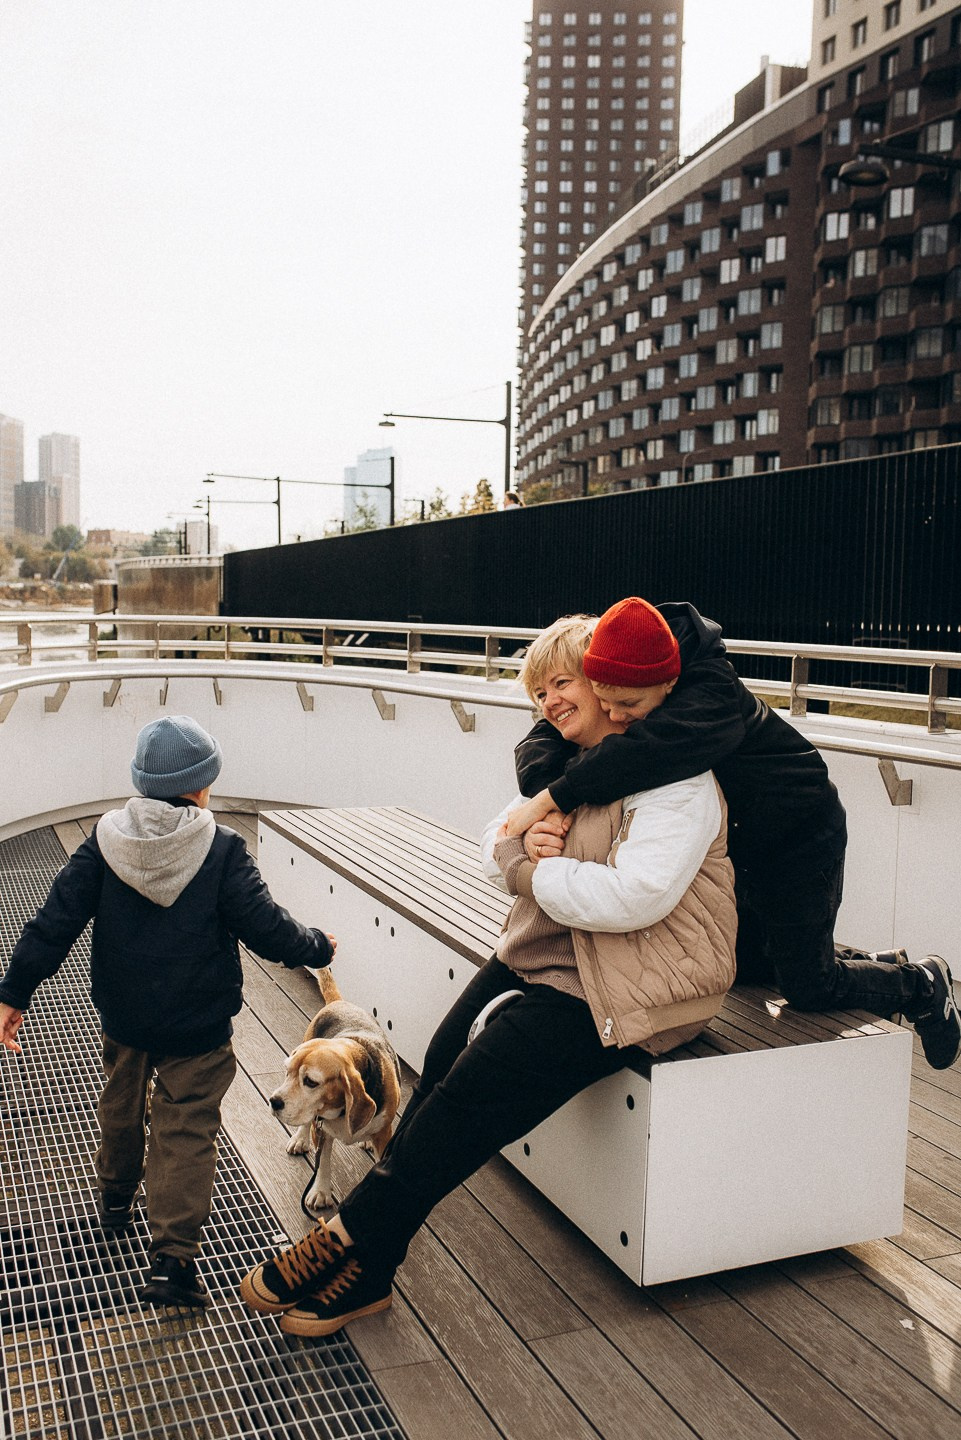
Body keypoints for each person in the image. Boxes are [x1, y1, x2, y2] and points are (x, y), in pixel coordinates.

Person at [238, 610, 736, 1336]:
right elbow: (494, 840)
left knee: (465, 1106)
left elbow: (632, 900)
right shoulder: (571, 765)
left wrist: (528, 868)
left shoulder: (675, 782)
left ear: (605, 687)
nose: (550, 704)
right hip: (544, 958)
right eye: (539, 693)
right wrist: (516, 855)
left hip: (638, 986)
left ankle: (345, 1240)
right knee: (437, 1073)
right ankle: (370, 1272)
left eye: (563, 684)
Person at [507, 596, 961, 1071]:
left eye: (627, 706)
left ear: (668, 681)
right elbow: (543, 738)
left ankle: (921, 984)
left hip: (796, 840)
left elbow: (646, 752)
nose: (616, 718)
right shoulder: (633, 674)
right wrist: (550, 795)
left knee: (808, 987)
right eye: (605, 703)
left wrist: (555, 798)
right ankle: (864, 960)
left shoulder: (710, 693)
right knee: (743, 967)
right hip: (741, 845)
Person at [0, 715, 337, 1308]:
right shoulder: (224, 849)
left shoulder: (103, 842)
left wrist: (13, 993)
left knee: (121, 1108)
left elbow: (53, 923)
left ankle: (111, 1203)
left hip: (125, 1019)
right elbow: (269, 928)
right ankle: (173, 1262)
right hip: (199, 1028)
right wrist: (316, 946)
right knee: (186, 1132)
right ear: (201, 787)